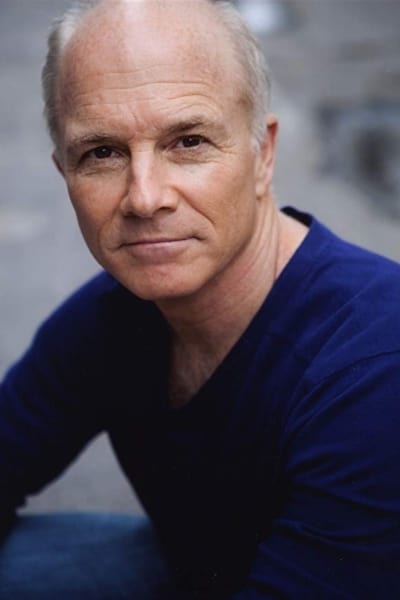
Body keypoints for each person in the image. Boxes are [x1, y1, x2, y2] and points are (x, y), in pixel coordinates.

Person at [0, 0, 399, 598]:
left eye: (188, 141)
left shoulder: (374, 370)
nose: (144, 198)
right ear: (65, 173)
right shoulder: (112, 316)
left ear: (263, 155)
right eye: (102, 153)